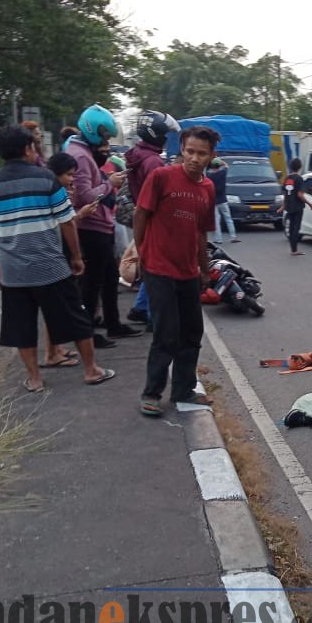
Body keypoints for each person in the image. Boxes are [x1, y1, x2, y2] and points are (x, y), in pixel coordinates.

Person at [0, 125, 115, 392]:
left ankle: (35, 379)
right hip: (50, 266)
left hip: (13, 271)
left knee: (21, 325)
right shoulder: (46, 180)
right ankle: (91, 370)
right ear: (28, 149)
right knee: (76, 317)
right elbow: (66, 223)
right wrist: (76, 257)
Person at [133, 125, 218, 417]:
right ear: (181, 149)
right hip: (158, 268)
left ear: (211, 156)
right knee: (166, 334)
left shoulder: (207, 188)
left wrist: (204, 270)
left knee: (192, 333)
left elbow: (201, 232)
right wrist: (141, 251)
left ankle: (183, 389)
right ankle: (151, 392)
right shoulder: (161, 177)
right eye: (190, 151)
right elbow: (141, 214)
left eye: (202, 153)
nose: (194, 158)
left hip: (188, 272)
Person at [65, 104, 141, 347]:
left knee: (109, 278)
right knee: (92, 283)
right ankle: (89, 334)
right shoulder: (80, 155)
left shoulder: (82, 150)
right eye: (105, 135)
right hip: (92, 227)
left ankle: (113, 324)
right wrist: (110, 183)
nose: (106, 141)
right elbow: (84, 196)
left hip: (101, 225)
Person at [40, 151, 101, 367]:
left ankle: (55, 348)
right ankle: (51, 353)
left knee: (55, 305)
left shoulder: (52, 190)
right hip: (59, 252)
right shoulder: (52, 191)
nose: (71, 179)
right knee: (59, 305)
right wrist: (81, 214)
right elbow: (64, 222)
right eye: (68, 174)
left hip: (57, 252)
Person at [125, 110, 179, 324]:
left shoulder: (138, 154)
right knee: (158, 267)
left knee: (151, 264)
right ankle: (152, 316)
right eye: (164, 134)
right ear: (155, 134)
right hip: (154, 219)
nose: (166, 139)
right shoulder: (152, 162)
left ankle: (140, 307)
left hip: (143, 215)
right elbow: (160, 196)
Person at [279, 158, 312, 255]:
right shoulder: (299, 178)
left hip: (289, 206)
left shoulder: (287, 178)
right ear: (300, 167)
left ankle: (293, 249)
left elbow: (286, 194)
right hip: (298, 206)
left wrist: (283, 206)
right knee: (296, 228)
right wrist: (310, 204)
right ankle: (294, 250)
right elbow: (300, 194)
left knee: (291, 228)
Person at [206, 157, 239, 245]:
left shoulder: (209, 175)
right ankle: (233, 237)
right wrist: (220, 160)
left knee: (216, 220)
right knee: (228, 218)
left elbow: (207, 168)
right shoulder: (222, 173)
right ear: (219, 165)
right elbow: (226, 166)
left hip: (213, 200)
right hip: (223, 200)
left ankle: (219, 239)